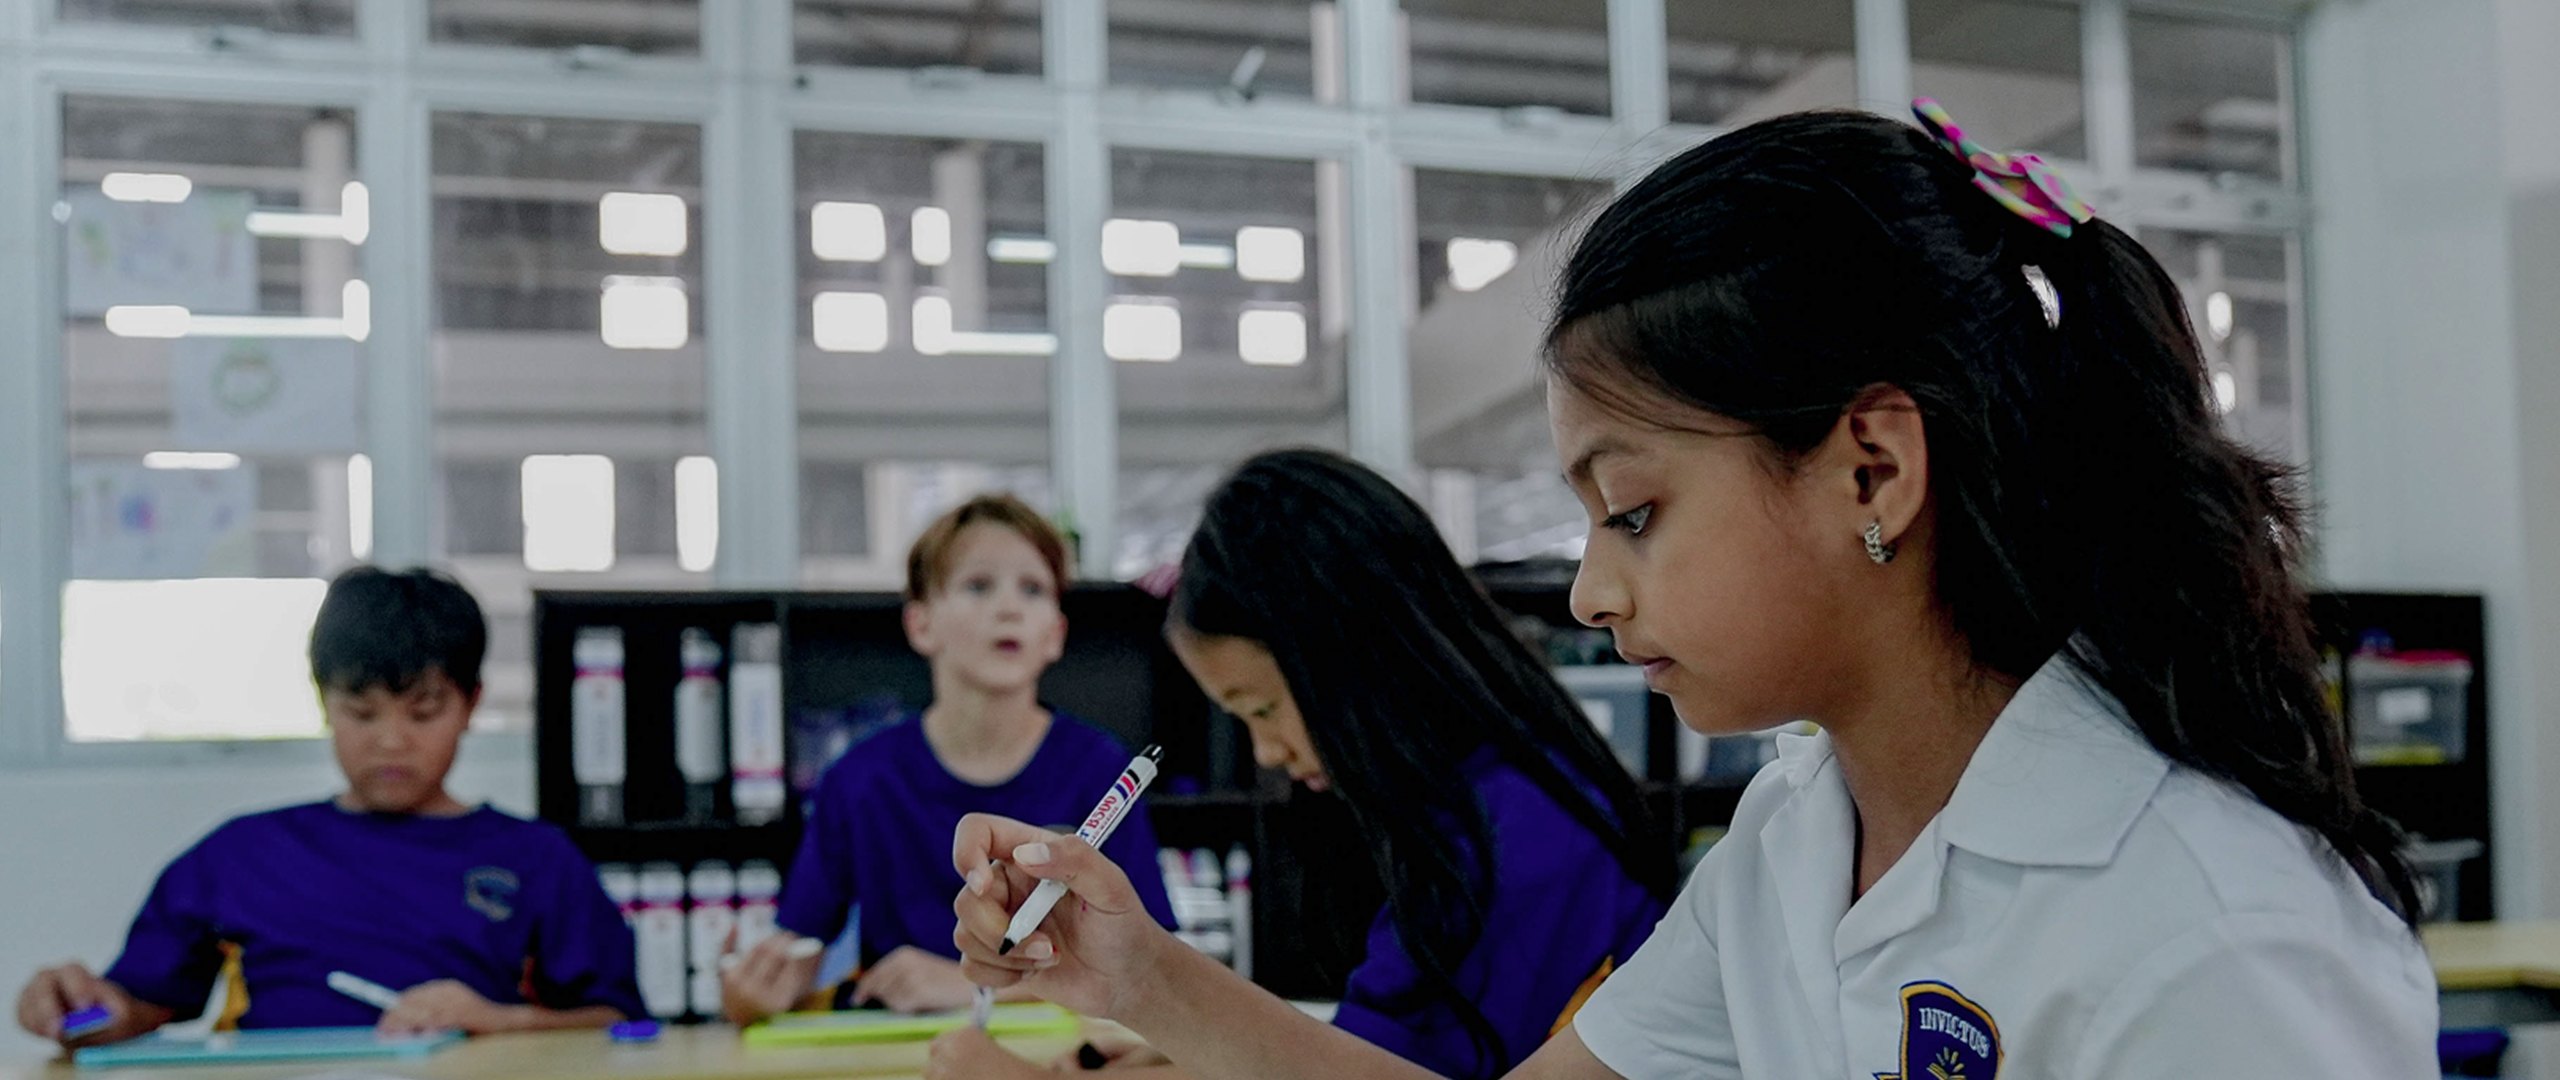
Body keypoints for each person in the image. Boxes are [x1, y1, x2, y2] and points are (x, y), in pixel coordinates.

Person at [937, 102, 2438, 1078]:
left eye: (1635, 512)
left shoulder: (2210, 934)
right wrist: (1136, 973)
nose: (1592, 593)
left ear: (1870, 470)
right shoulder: (1798, 835)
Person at [926, 449, 1673, 1080]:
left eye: (1260, 709)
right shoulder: (1487, 805)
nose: (1267, 753)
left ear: (1351, 661)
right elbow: (1355, 1055)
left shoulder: (1513, 837)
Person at [14, 566, 643, 1047]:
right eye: (361, 712)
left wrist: (500, 1022)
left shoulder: (536, 859)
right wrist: (80, 1010)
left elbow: (617, 1023)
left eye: (423, 711)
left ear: (471, 705)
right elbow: (140, 1004)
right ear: (323, 702)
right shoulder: (242, 854)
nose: (391, 740)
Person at [721, 494, 1177, 1022]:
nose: (1009, 608)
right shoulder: (858, 778)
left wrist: (967, 986)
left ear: (1055, 634)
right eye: (978, 585)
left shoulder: (1101, 767)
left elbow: (1150, 960)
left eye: (1032, 589)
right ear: (920, 625)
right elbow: (796, 952)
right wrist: (748, 997)